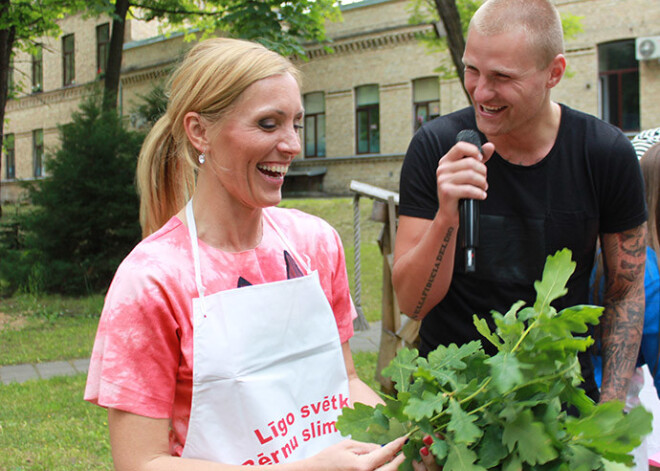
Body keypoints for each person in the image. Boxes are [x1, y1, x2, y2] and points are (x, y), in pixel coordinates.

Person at [84, 38, 438, 470]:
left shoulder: (316, 245)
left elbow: (344, 381)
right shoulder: (152, 279)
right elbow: (140, 463)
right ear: (200, 132)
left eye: (296, 124)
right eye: (268, 124)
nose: (291, 145)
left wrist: (401, 440)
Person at [392, 0, 647, 405]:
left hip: (559, 402)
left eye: (502, 77)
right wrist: (446, 216)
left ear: (554, 73)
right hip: (452, 405)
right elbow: (413, 303)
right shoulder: (437, 146)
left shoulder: (603, 153)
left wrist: (610, 406)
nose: (481, 91)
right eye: (471, 69)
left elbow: (626, 290)